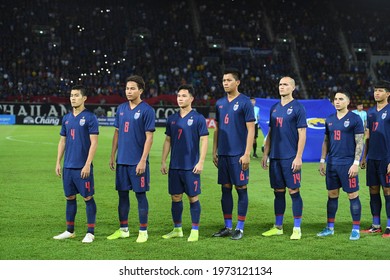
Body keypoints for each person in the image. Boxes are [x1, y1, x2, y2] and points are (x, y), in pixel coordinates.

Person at [107, 75, 155, 243]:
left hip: (137, 162)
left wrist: (143, 160)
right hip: (122, 162)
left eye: (132, 88)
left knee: (140, 196)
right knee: (122, 196)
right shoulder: (120, 109)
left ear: (140, 90)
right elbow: (117, 133)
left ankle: (143, 231)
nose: (129, 91)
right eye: (127, 88)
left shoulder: (147, 110)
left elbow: (149, 138)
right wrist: (113, 155)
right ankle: (123, 229)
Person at [161, 84, 209, 242]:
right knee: (175, 197)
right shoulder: (172, 119)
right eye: (178, 96)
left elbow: (204, 139)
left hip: (191, 166)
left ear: (191, 98)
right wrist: (163, 161)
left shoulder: (198, 118)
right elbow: (168, 140)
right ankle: (177, 229)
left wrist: (201, 161)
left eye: (183, 96)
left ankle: (195, 230)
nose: (180, 98)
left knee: (193, 197)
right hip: (175, 166)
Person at [212, 67, 255, 240]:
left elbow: (251, 129)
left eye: (228, 80)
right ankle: (228, 226)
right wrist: (215, 150)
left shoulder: (245, 102)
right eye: (223, 81)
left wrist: (247, 153)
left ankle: (240, 227)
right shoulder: (220, 103)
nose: (225, 83)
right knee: (225, 189)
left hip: (239, 154)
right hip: (223, 154)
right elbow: (217, 128)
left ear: (237, 82)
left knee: (241, 189)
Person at [261, 76, 306, 240]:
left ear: (293, 88)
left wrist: (298, 157)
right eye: (280, 84)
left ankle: (297, 228)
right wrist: (266, 154)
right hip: (275, 158)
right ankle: (278, 226)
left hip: (290, 158)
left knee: (294, 191)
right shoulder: (274, 108)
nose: (282, 87)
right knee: (278, 192)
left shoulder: (298, 108)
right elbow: (270, 133)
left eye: (285, 84)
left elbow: (302, 134)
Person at [53, 85, 99, 243]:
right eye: (71, 95)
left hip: (82, 167)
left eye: (76, 95)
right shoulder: (66, 118)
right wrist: (58, 162)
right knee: (69, 197)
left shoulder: (90, 117)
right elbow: (62, 141)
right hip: (68, 167)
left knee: (88, 197)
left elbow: (94, 143)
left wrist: (87, 164)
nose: (73, 98)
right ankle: (69, 230)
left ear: (84, 98)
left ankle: (90, 232)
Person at [317, 91, 364, 240]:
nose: (337, 101)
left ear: (348, 102)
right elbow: (326, 141)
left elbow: (360, 142)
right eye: (335, 99)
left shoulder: (355, 119)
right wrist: (323, 160)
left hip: (348, 164)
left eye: (341, 99)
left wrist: (356, 163)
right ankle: (329, 227)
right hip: (332, 163)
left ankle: (356, 229)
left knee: (352, 195)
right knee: (332, 195)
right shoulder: (329, 119)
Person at [360, 81, 390, 238]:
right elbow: (368, 137)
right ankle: (376, 225)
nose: (376, 93)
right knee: (373, 190)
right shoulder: (370, 113)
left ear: (388, 93)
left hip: (386, 157)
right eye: (375, 91)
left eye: (380, 90)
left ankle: (389, 226)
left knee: (387, 190)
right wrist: (364, 156)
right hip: (372, 157)